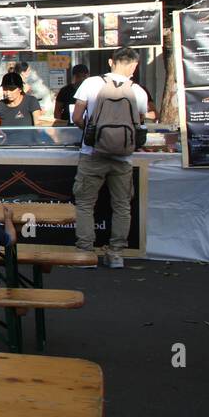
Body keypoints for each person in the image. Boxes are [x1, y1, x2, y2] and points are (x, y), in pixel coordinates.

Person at [72, 47, 147, 269]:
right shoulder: (138, 91)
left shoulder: (91, 83)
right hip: (123, 157)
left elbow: (77, 117)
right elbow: (140, 126)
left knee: (85, 204)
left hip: (92, 153)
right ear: (134, 65)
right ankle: (116, 254)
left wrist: (93, 136)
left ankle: (86, 253)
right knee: (122, 205)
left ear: (110, 62)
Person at [0, 71, 42, 143]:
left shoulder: (31, 101)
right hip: (6, 149)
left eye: (11, 89)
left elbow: (38, 125)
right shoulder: (0, 105)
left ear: (20, 89)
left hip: (28, 148)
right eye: (5, 89)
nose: (8, 93)